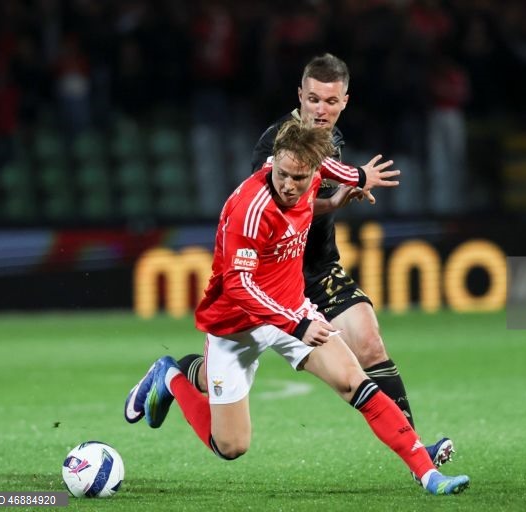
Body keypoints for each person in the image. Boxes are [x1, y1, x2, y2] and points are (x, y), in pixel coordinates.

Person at [124, 119, 470, 496]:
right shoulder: (249, 209)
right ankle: (171, 376)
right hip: (236, 323)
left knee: (354, 382)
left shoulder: (313, 170)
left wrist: (353, 183)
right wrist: (295, 323)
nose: (289, 185)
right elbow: (239, 285)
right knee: (231, 446)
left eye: (300, 178)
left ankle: (428, 475)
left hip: (292, 310)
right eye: (283, 174)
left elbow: (334, 169)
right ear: (273, 162)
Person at [176, 53, 456, 472]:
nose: (320, 110)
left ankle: (416, 450)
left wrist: (349, 188)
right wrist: (341, 192)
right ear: (300, 98)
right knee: (230, 438)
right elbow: (281, 204)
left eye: (330, 101)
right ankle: (182, 374)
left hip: (318, 268)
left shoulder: (332, 140)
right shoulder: (276, 144)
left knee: (370, 344)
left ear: (345, 101)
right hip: (271, 277)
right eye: (313, 100)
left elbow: (317, 187)